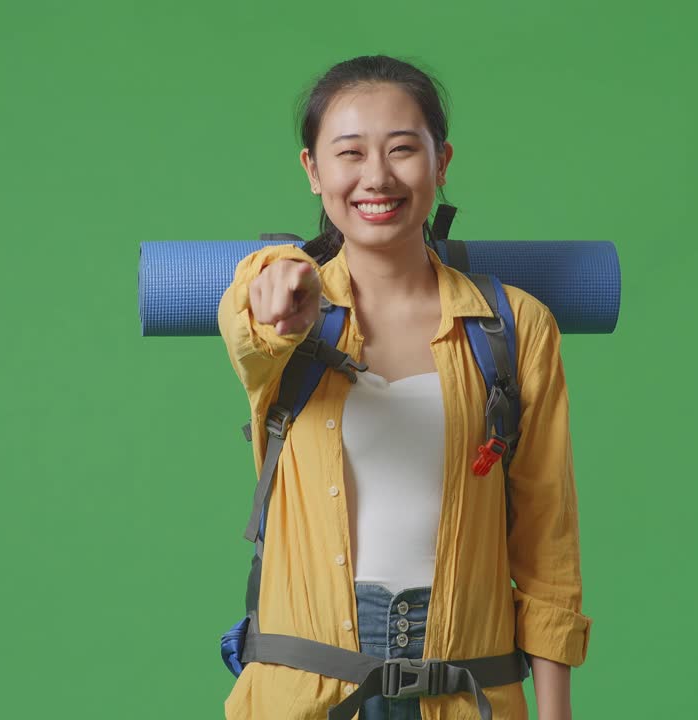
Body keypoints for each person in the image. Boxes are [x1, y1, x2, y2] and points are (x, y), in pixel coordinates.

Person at [217, 54, 590, 720]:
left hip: (467, 691)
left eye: (401, 150)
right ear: (313, 171)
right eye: (350, 153)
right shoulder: (282, 309)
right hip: (304, 694)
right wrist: (273, 280)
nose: (377, 177)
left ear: (440, 163)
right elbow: (247, 322)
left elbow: (547, 545)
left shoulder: (514, 326)